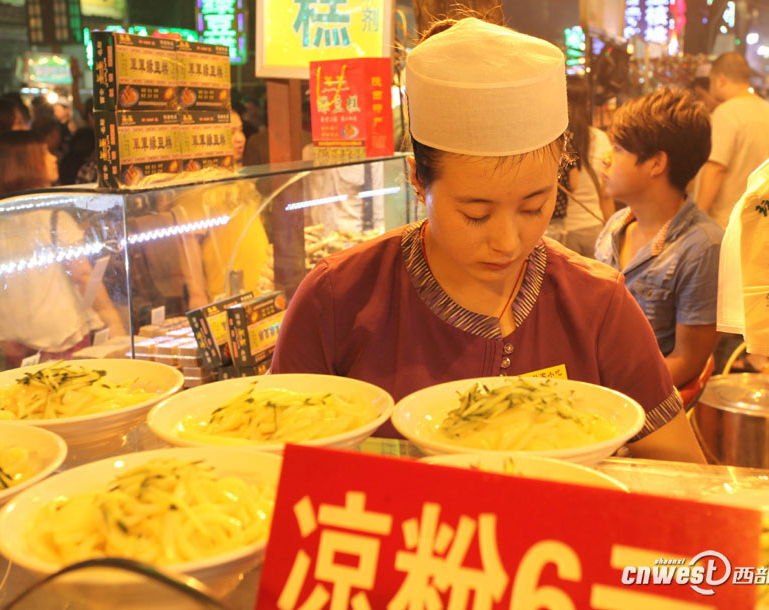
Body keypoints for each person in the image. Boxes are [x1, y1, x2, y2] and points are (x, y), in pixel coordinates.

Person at [272, 17, 705, 462]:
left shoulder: (597, 305)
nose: (508, 242)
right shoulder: (337, 299)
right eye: (476, 214)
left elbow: (686, 476)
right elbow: (273, 466)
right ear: (418, 181)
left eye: (534, 207)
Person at [595, 88, 722, 388]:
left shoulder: (703, 246)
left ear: (656, 163)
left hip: (642, 404)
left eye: (619, 148)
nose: (605, 158)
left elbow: (687, 361)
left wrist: (612, 403)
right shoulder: (615, 226)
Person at [0, 131, 125, 368]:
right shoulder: (55, 219)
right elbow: (83, 275)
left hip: (11, 334)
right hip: (59, 332)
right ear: (27, 164)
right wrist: (111, 317)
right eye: (45, 153)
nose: (53, 157)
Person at [695, 53, 769, 227]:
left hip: (726, 224)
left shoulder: (726, 112)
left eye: (711, 81)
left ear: (721, 80)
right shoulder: (768, 111)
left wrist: (696, 219)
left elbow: (715, 168)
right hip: (759, 221)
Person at [545, 75, 614, 256]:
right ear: (586, 104)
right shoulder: (600, 139)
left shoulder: (553, 142)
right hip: (594, 228)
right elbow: (605, 195)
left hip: (560, 232)